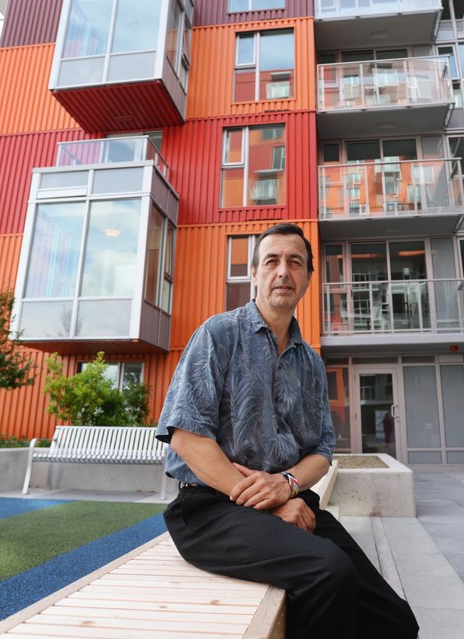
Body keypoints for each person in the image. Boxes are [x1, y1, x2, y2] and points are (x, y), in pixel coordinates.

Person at [156, 223, 419, 639]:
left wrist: (287, 486)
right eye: (272, 261)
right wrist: (270, 503)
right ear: (255, 274)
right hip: (208, 510)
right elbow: (187, 437)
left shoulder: (310, 361)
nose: (283, 271)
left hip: (290, 497)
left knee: (396, 621)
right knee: (327, 573)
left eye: (295, 262)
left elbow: (322, 450)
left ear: (308, 279)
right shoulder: (218, 334)